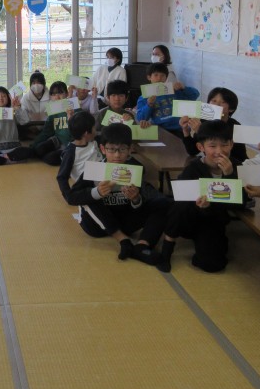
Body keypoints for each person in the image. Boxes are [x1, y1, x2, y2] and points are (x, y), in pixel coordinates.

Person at [73, 124, 170, 265]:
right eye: (111, 149)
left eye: (122, 149)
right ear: (103, 149)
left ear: (130, 149)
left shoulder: (135, 170)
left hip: (124, 222)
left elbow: (139, 206)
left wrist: (135, 199)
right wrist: (97, 192)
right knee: (89, 197)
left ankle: (142, 246)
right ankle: (123, 240)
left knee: (163, 203)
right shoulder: (94, 170)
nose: (117, 155)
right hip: (96, 227)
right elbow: (72, 197)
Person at [157, 120, 246, 273]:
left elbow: (241, 204)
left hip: (213, 219)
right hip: (189, 218)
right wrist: (199, 205)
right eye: (212, 146)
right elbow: (180, 198)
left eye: (224, 145)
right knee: (181, 202)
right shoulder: (193, 168)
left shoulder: (237, 167)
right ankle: (167, 247)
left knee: (212, 264)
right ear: (201, 147)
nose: (219, 151)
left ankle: (205, 247)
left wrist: (229, 176)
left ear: (231, 144)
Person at [180, 87, 247, 164]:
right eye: (214, 101)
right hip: (212, 165)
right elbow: (192, 151)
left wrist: (201, 132)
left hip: (232, 165)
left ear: (231, 108)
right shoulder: (204, 122)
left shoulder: (236, 127)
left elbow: (240, 157)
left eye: (223, 102)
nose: (217, 105)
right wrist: (185, 131)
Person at [135, 63, 199, 134]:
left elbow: (195, 95)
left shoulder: (174, 90)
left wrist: (183, 87)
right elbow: (140, 118)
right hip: (160, 130)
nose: (159, 78)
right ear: (149, 77)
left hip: (180, 128)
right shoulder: (144, 97)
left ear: (166, 77)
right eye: (156, 75)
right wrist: (149, 105)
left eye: (162, 75)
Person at [56, 110, 104, 205]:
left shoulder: (93, 141)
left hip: (101, 176)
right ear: (86, 133)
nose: (96, 130)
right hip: (86, 185)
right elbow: (61, 177)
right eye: (94, 127)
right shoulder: (71, 152)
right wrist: (68, 196)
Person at [31, 81, 81, 165]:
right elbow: (46, 132)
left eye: (60, 93)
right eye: (53, 94)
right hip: (58, 141)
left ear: (66, 94)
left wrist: (70, 117)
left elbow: (79, 133)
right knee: (39, 149)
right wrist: (34, 144)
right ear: (50, 97)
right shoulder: (53, 110)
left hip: (72, 144)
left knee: (50, 159)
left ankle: (67, 157)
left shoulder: (75, 108)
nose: (57, 97)